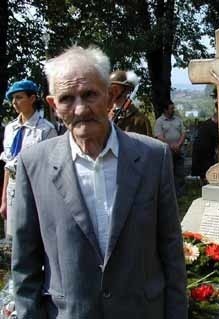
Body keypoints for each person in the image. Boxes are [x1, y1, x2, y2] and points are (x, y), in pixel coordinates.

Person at [12, 46, 187, 319]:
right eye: (67, 98)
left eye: (90, 94)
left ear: (109, 95)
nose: (81, 109)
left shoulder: (153, 157)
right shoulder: (33, 164)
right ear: (53, 106)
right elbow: (25, 267)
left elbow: (171, 250)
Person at [0, 79, 57, 239]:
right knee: (13, 235)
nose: (14, 102)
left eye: (19, 97)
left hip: (35, 187)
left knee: (33, 235)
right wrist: (3, 199)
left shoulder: (45, 129)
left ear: (32, 99)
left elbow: (51, 168)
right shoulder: (11, 129)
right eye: (12, 98)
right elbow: (7, 164)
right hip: (13, 186)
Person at [154, 101, 186, 197]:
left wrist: (178, 145)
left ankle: (180, 193)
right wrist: (172, 146)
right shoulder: (159, 121)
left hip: (179, 150)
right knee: (168, 172)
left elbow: (183, 133)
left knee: (180, 171)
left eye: (173, 108)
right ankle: (169, 194)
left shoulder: (178, 120)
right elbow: (159, 136)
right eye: (171, 108)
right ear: (165, 110)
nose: (173, 110)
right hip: (167, 151)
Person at [109, 69, 152, 136]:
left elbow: (149, 144)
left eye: (115, 88)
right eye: (109, 87)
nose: (111, 91)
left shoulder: (140, 120)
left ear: (126, 90)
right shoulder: (104, 115)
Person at [191, 102, 218, 184]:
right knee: (205, 172)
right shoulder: (209, 126)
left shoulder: (206, 124)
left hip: (206, 151)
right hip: (204, 152)